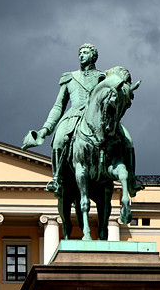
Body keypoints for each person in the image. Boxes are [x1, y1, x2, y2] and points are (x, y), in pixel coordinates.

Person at [21, 43, 107, 195]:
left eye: (85, 52)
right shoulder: (70, 77)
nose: (81, 55)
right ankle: (57, 179)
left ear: (93, 56)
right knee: (58, 142)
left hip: (97, 117)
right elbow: (58, 106)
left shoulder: (103, 77)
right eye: (80, 53)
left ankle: (130, 179)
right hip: (73, 116)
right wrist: (45, 129)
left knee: (124, 139)